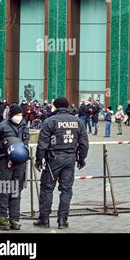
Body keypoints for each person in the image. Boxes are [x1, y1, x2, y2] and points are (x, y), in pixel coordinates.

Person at [34, 97, 89, 229]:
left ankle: (44, 219)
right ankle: (62, 220)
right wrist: (81, 158)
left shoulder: (49, 121)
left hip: (54, 159)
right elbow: (84, 144)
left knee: (47, 188)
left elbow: (42, 143)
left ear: (55, 106)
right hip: (70, 158)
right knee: (66, 189)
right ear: (68, 106)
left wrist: (38, 159)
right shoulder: (77, 121)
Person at [0, 105, 30, 230]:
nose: (19, 117)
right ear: (11, 115)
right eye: (16, 115)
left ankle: (14, 219)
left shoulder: (24, 126)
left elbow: (26, 143)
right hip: (5, 162)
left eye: (20, 115)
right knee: (4, 191)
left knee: (16, 191)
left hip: (20, 163)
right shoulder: (0, 127)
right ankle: (2, 219)